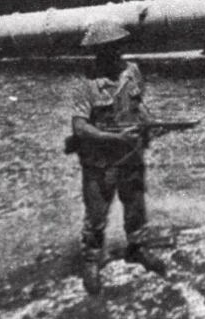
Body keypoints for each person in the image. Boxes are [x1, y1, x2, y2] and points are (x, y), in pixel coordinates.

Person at [69, 22, 164, 295]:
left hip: (131, 155)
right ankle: (91, 261)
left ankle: (137, 248)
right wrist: (113, 138)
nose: (114, 54)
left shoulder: (132, 71)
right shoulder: (86, 85)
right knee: (97, 215)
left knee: (135, 205)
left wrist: (150, 123)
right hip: (100, 162)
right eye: (107, 50)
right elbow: (79, 127)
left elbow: (139, 105)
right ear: (97, 52)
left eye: (117, 48)